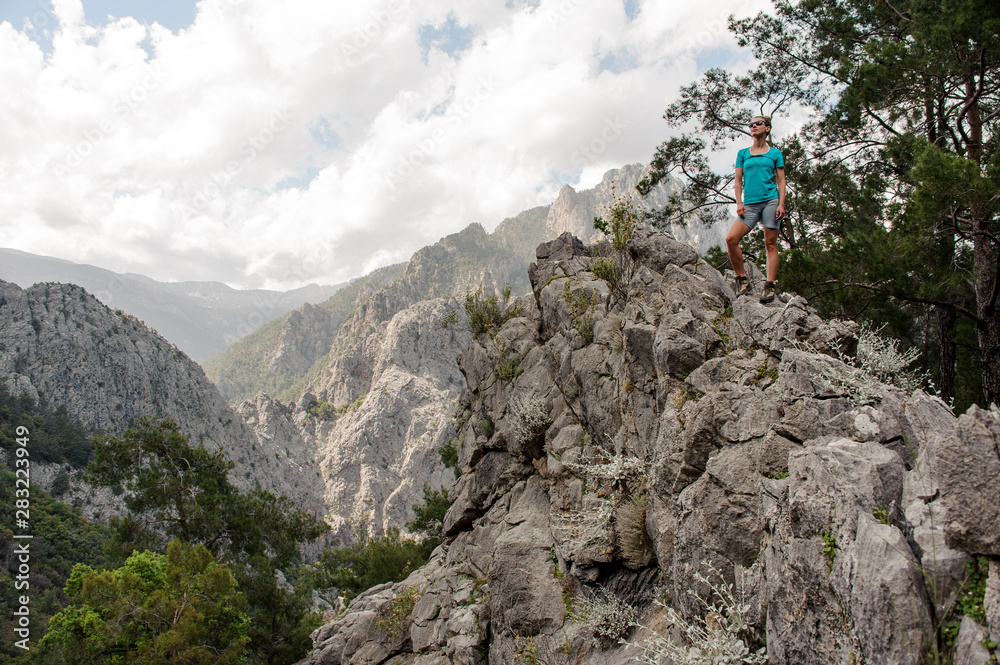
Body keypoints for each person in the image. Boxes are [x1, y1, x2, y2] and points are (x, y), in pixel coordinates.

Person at [726, 115, 786, 304]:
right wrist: (739, 203)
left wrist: (781, 204)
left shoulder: (775, 153)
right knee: (731, 239)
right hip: (750, 204)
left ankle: (769, 286)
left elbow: (781, 180)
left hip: (770, 201)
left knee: (770, 244)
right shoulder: (743, 153)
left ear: (767, 128)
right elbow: (737, 181)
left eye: (758, 123)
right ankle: (742, 279)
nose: (753, 126)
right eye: (751, 124)